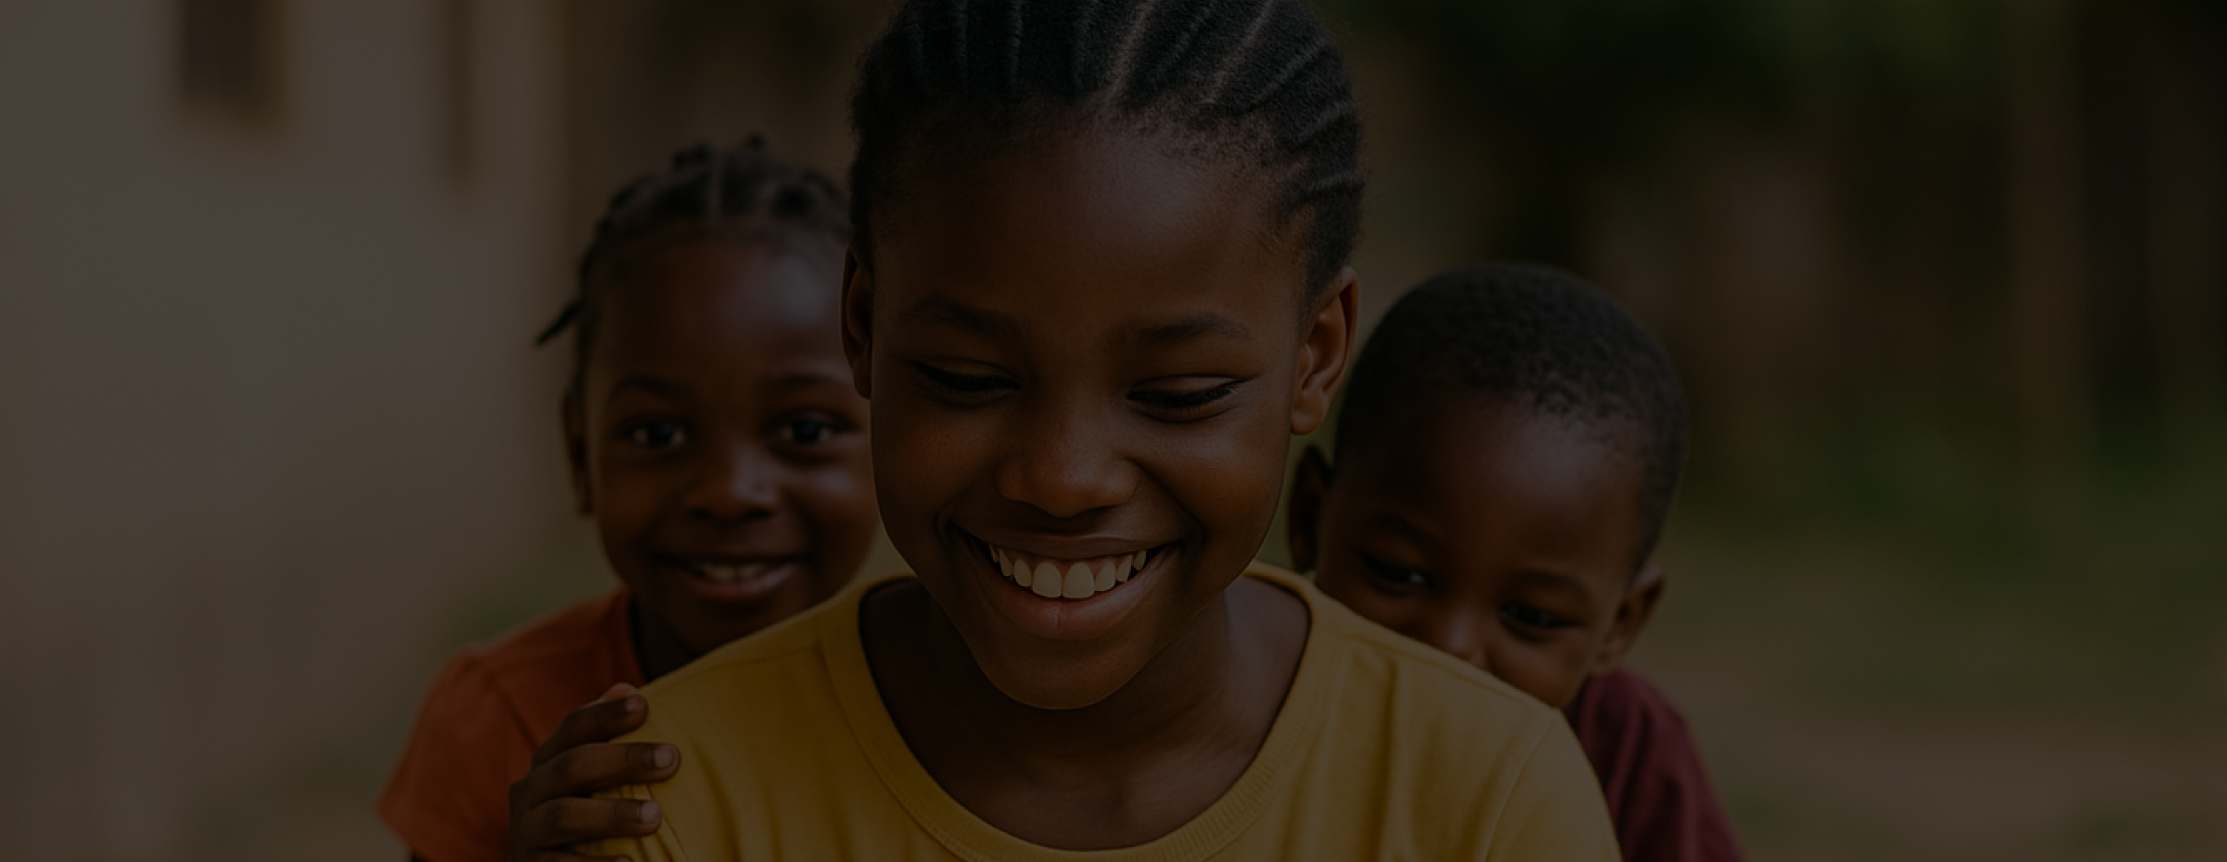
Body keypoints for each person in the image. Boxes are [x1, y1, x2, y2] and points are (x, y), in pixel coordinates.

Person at [583, 1, 1621, 859]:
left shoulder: (1488, 800)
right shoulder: (670, 800)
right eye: (966, 376)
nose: (1062, 477)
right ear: (861, 327)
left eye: (1177, 394)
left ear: (1312, 356)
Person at [377, 139, 883, 862]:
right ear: (580, 455)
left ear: (888, 440)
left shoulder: (948, 714)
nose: (730, 493)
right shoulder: (500, 717)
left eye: (804, 429)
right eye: (658, 432)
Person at [1285, 264, 1745, 862]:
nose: (1449, 648)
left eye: (1532, 616)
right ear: (1309, 520)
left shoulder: (1625, 748)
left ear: (1622, 623)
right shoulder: (1237, 698)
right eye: (1399, 574)